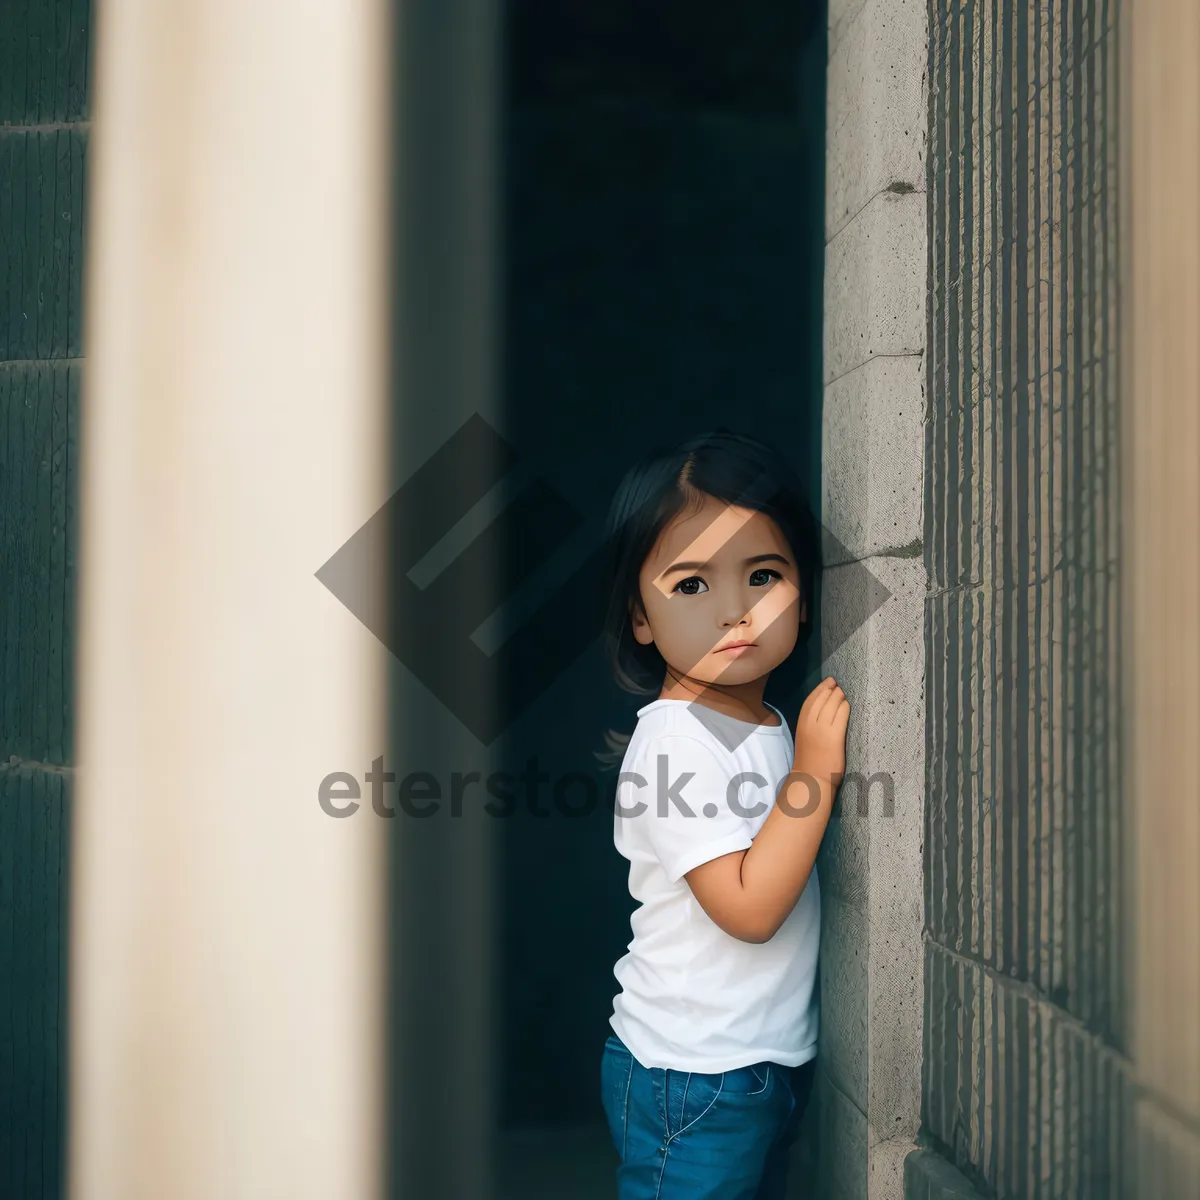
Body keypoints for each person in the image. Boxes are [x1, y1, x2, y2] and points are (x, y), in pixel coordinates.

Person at [598, 430, 849, 1199]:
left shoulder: (767, 720)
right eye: (692, 586)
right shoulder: (672, 742)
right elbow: (747, 907)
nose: (735, 611)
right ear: (639, 616)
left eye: (764, 575)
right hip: (690, 1076)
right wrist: (814, 772)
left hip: (753, 1066)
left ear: (804, 594)